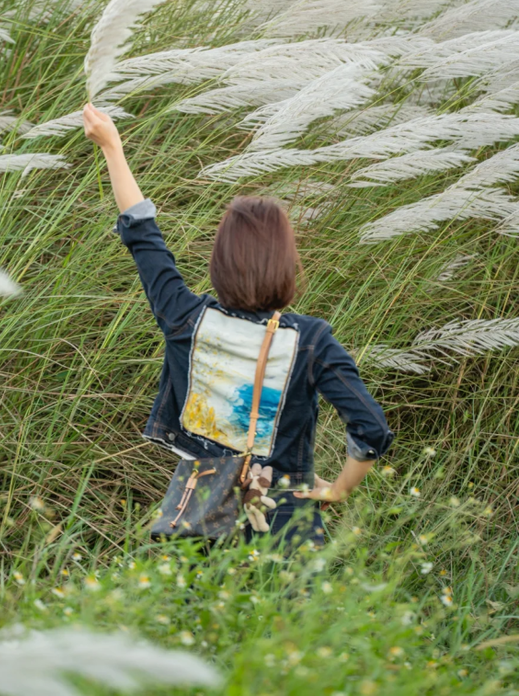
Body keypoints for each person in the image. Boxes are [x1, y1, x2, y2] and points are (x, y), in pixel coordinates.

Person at [83, 103, 394, 549]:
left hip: (199, 510)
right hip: (284, 516)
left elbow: (143, 235)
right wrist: (336, 489)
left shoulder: (185, 319)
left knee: (196, 612)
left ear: (220, 262)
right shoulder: (311, 341)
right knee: (286, 618)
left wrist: (113, 147)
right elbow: (371, 429)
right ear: (287, 265)